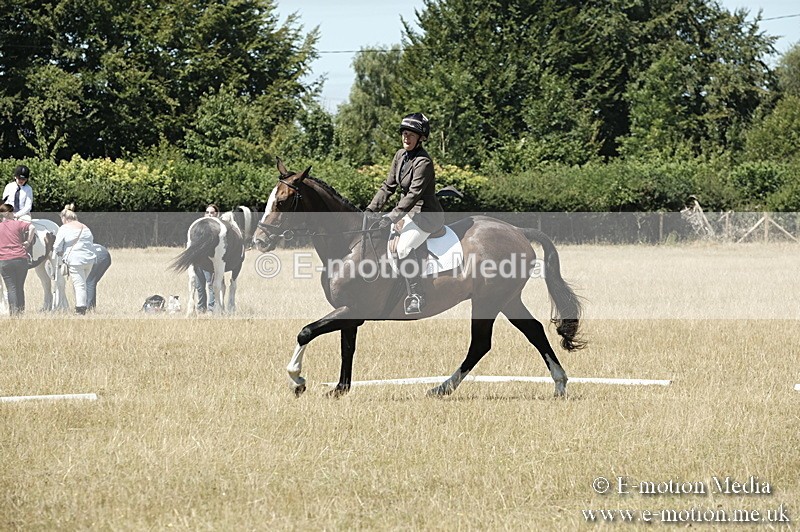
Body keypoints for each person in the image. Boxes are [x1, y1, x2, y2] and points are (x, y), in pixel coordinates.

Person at [366, 113, 444, 314]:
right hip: (407, 213)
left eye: (411, 134)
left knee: (402, 249)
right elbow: (387, 187)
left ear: (421, 138)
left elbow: (413, 195)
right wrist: (370, 211)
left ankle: (417, 296)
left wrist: (390, 217)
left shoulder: (423, 162)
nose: (406, 138)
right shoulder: (400, 155)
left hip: (425, 215)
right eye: (404, 133)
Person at [54, 204, 96, 315]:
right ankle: (81, 306)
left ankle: (80, 310)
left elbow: (57, 246)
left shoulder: (64, 228)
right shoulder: (85, 227)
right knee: (82, 284)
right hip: (89, 260)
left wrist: (61, 253)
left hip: (75, 260)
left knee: (79, 285)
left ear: (64, 218)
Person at [0, 203, 35, 315]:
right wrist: (28, 242)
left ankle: (14, 314)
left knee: (11, 288)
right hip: (20, 258)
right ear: (10, 213)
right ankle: (20, 312)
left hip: (5, 260)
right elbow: (32, 227)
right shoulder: (18, 224)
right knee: (19, 287)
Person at [194, 204, 219, 312]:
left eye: (212, 213)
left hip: (210, 262)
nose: (209, 214)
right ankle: (201, 308)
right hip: (198, 261)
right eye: (207, 212)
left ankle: (211, 309)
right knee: (199, 287)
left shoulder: (219, 230)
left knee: (211, 285)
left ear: (217, 214)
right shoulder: (199, 228)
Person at [86, 243, 112, 311]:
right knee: (91, 282)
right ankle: (89, 307)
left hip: (96, 255)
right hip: (105, 253)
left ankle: (89, 308)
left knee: (89, 281)